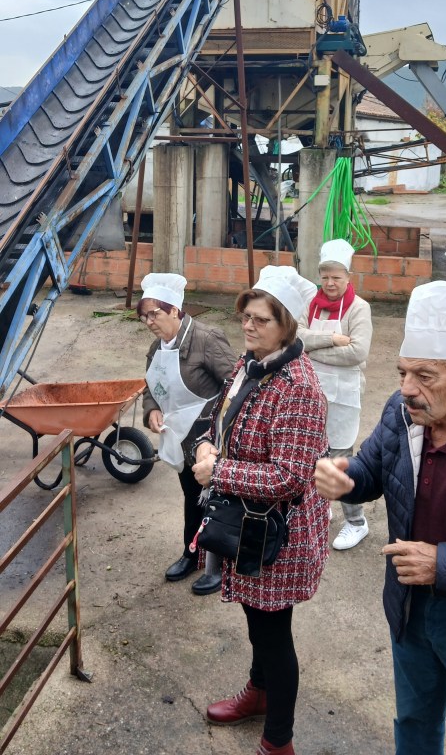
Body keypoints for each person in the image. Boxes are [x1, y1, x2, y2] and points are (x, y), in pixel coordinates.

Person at [314, 280, 446, 755]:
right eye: (403, 372)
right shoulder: (401, 413)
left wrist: (442, 564)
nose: (407, 389)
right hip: (410, 605)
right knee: (414, 718)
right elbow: (373, 468)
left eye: (425, 375)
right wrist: (347, 479)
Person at [192, 265, 330, 755]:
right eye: (245, 317)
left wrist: (220, 472)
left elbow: (291, 477)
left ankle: (278, 740)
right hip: (249, 523)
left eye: (261, 320)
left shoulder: (298, 387)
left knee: (273, 633)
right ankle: (258, 692)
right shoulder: (250, 363)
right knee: (257, 619)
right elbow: (221, 416)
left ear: (286, 325)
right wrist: (207, 444)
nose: (248, 326)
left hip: (280, 534)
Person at [139, 273, 236, 596]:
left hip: (209, 436)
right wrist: (152, 409)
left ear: (174, 310)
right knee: (192, 496)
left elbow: (235, 386)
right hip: (179, 437)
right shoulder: (157, 347)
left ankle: (218, 566)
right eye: (144, 316)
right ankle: (192, 553)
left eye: (154, 314)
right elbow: (152, 385)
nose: (149, 322)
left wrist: (220, 434)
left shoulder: (206, 339)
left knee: (217, 500)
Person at [297, 238, 372, 550]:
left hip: (343, 396)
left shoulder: (359, 308)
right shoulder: (311, 304)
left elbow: (357, 352)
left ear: (348, 277)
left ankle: (356, 522)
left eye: (336, 277)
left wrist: (313, 349)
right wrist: (332, 339)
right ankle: (321, 508)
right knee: (314, 455)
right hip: (312, 394)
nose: (330, 283)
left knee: (340, 460)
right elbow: (296, 338)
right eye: (325, 276)